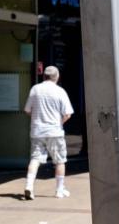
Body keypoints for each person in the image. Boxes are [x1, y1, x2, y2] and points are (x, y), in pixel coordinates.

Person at [23, 65, 75, 199]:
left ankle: (29, 186)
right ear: (57, 77)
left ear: (43, 76)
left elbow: (27, 110)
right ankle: (59, 190)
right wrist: (59, 123)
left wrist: (38, 119)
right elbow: (68, 114)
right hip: (55, 132)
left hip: (37, 131)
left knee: (35, 159)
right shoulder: (60, 91)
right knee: (59, 161)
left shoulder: (35, 89)